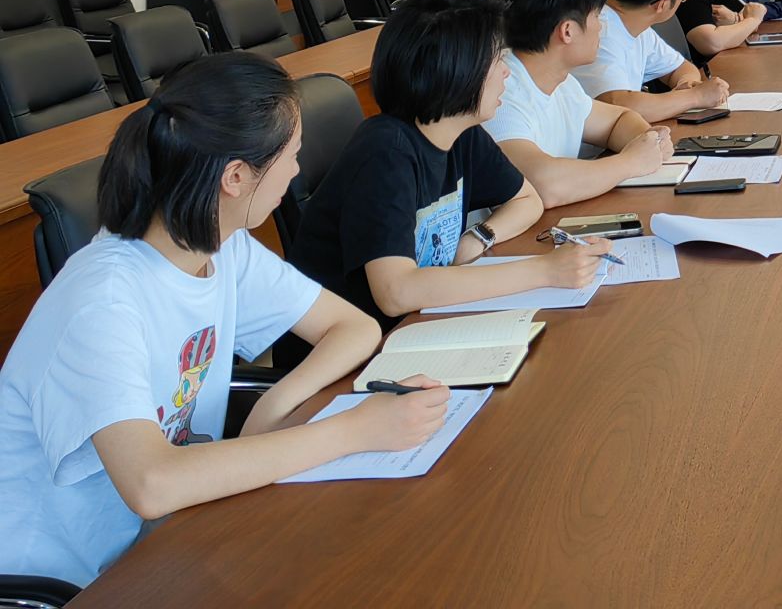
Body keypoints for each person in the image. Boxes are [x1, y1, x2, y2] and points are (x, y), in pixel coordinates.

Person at [0, 54, 447, 587]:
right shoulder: (102, 301)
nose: (297, 171)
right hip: (69, 581)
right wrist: (354, 430)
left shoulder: (221, 246)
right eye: (291, 156)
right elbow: (152, 484)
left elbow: (354, 328)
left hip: (172, 537)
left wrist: (272, 404)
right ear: (235, 177)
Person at [289, 0, 608, 325]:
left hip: (421, 321)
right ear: (458, 70)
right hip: (360, 344)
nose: (506, 72)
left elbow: (527, 200)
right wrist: (545, 271)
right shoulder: (385, 153)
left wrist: (479, 238)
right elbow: (396, 292)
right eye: (497, 60)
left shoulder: (461, 133)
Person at [483, 0, 677, 207]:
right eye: (596, 16)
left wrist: (648, 141)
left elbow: (618, 120)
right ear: (568, 31)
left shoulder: (563, 82)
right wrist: (631, 162)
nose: (601, 27)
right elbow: (542, 185)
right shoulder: (500, 90)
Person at [574, 0, 729, 118]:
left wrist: (686, 84)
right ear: (662, 4)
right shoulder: (601, 33)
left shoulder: (637, 26)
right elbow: (618, 106)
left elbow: (681, 68)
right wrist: (695, 96)